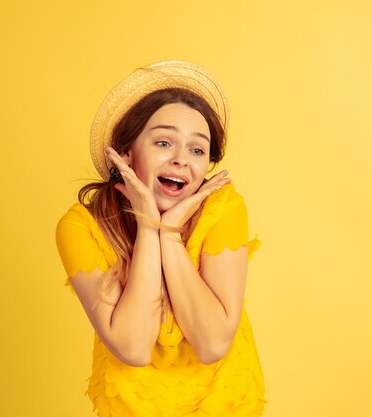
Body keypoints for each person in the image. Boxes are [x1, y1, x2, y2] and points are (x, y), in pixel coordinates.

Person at [55, 61, 265, 416]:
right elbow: (133, 347)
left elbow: (213, 343)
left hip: (223, 404)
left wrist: (169, 236)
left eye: (197, 150)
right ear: (125, 154)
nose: (182, 160)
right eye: (164, 142)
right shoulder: (81, 228)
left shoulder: (223, 209)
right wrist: (150, 225)